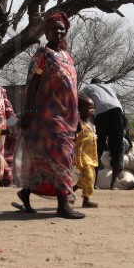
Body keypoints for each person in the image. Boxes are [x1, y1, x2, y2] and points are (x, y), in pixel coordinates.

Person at [15, 11, 84, 219]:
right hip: (48, 116)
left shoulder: (68, 57)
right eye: (55, 28)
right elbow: (33, 84)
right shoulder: (42, 55)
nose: (59, 32)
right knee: (62, 157)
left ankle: (25, 193)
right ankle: (63, 205)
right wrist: (28, 113)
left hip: (68, 116)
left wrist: (78, 116)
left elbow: (72, 87)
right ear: (47, 32)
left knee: (47, 162)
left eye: (62, 28)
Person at [81, 77, 125, 190]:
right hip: (118, 112)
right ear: (100, 83)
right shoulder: (108, 87)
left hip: (102, 113)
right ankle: (114, 184)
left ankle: (93, 183)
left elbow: (86, 105)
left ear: (92, 83)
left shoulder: (88, 87)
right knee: (117, 148)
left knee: (97, 148)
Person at [74, 96, 99, 209]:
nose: (93, 110)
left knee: (88, 177)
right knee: (89, 177)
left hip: (91, 156)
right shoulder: (78, 123)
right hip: (82, 156)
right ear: (80, 109)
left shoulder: (91, 123)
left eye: (93, 107)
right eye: (90, 107)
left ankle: (70, 191)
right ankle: (86, 200)